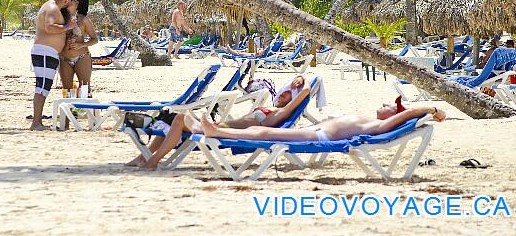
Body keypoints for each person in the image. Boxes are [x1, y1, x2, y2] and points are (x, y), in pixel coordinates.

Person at [126, 75, 313, 169]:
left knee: (180, 118)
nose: (283, 93)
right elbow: (298, 90)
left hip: (219, 132)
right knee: (174, 117)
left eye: (289, 92)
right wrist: (297, 81)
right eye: (284, 89)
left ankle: (152, 161)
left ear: (293, 99)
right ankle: (145, 157)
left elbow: (305, 91)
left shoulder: (280, 113)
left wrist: (302, 80)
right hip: (217, 127)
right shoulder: (273, 109)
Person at [200, 97, 446, 142]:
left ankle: (218, 133)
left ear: (395, 114)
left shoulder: (379, 125)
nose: (383, 104)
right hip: (316, 130)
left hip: (319, 136)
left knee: (265, 133)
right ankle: (219, 131)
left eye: (388, 105)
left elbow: (410, 113)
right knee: (265, 133)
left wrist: (433, 109)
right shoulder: (371, 120)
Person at [30, 0, 76, 131]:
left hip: (48, 52)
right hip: (44, 51)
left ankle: (37, 121)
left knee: (44, 87)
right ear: (66, 0)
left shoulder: (54, 8)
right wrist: (68, 26)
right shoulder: (52, 7)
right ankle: (36, 122)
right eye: (70, 0)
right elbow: (49, 27)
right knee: (42, 87)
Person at [59, 0, 98, 98]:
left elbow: (95, 39)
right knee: (67, 90)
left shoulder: (83, 20)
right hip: (64, 58)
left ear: (77, 3)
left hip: (82, 57)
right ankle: (69, 114)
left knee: (85, 88)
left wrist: (81, 44)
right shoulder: (60, 20)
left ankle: (87, 112)